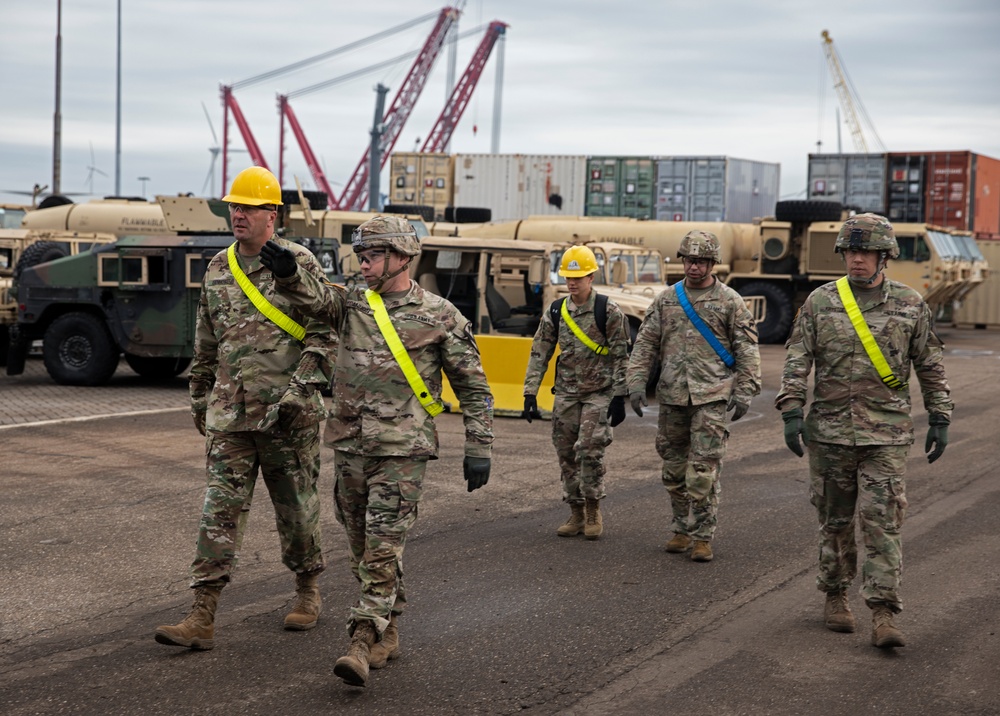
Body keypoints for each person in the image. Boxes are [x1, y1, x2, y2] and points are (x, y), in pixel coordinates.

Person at [259, 215, 494, 688]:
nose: (363, 266)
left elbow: (473, 385)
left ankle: (361, 642)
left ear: (402, 257)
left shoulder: (440, 314)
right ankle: (389, 628)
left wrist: (479, 445)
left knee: (383, 549)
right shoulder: (349, 305)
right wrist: (287, 272)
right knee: (364, 548)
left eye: (371, 257)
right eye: (360, 257)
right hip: (349, 445)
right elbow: (310, 297)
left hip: (402, 451)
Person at [154, 166, 336, 650]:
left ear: (271, 214)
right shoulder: (218, 267)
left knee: (295, 509)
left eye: (249, 207)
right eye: (234, 206)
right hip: (231, 415)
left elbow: (328, 330)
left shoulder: (299, 263)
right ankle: (202, 615)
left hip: (288, 416)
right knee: (218, 512)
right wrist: (199, 393)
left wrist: (303, 391)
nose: (239, 214)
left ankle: (307, 590)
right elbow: (207, 338)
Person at [775, 213, 952, 649]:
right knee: (834, 522)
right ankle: (835, 596)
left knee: (882, 522)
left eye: (866, 252)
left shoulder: (910, 304)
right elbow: (798, 358)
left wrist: (940, 415)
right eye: (851, 251)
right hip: (830, 433)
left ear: (884, 256)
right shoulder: (820, 302)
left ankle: (884, 612)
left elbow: (929, 364)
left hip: (886, 436)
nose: (857, 259)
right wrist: (792, 409)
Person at [625, 230, 761, 562]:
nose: (694, 267)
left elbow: (747, 349)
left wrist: (744, 391)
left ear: (713, 263)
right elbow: (645, 344)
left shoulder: (730, 301)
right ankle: (680, 528)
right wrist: (635, 383)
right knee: (673, 468)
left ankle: (702, 535)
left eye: (700, 261)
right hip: (672, 395)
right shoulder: (666, 299)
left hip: (711, 397)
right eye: (689, 260)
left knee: (703, 469)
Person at [521, 245, 631, 540]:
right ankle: (576, 511)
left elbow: (622, 355)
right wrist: (530, 392)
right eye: (568, 277)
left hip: (599, 393)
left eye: (579, 276)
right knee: (566, 452)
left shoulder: (607, 310)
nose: (572, 282)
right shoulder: (557, 310)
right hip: (567, 394)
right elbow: (540, 350)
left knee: (589, 450)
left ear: (591, 276)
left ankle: (594, 508)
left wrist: (620, 396)